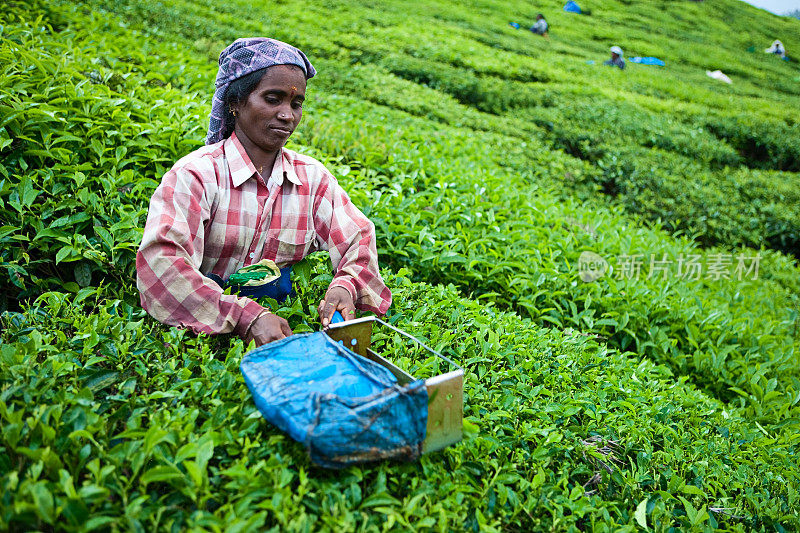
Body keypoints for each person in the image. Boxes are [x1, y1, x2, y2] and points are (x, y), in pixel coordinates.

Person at [136, 37, 392, 347]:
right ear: (235, 103)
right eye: (273, 99)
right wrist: (245, 316)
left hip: (285, 329)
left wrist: (346, 287)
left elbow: (358, 239)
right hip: (196, 338)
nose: (287, 115)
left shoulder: (312, 180)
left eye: (296, 104)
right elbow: (162, 266)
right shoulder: (196, 175)